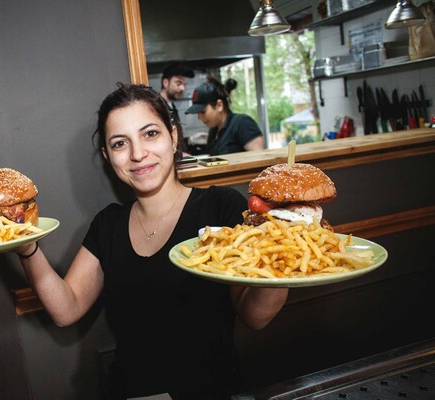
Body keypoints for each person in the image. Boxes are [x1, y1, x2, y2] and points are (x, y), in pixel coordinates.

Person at [16, 83, 288, 399]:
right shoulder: (108, 224)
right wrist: (27, 248)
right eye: (120, 143)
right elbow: (67, 308)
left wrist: (283, 244)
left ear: (172, 137)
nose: (138, 154)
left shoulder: (220, 207)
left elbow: (254, 316)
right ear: (108, 155)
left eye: (150, 134)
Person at [185, 76, 264, 155]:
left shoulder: (242, 123)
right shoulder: (214, 131)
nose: (199, 118)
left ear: (219, 105)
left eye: (202, 112)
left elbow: (260, 160)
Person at [159, 63, 194, 155]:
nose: (182, 88)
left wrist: (190, 140)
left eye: (184, 84)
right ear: (165, 83)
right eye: (178, 83)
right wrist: (179, 155)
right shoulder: (157, 107)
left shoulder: (171, 106)